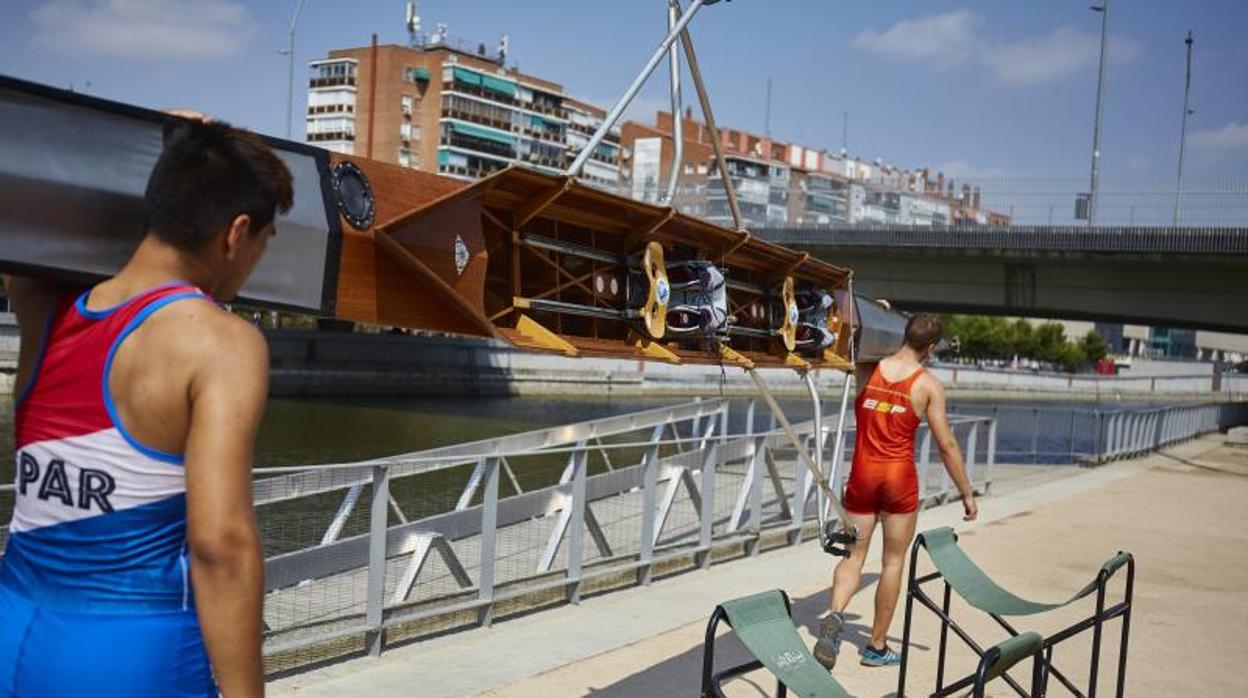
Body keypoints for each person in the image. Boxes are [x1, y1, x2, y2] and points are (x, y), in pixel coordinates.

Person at [0, 118, 292, 697]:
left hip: (13, 631)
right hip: (132, 653)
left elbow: (32, 219)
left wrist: (164, 144)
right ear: (236, 233)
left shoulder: (45, 306)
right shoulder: (219, 343)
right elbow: (221, 546)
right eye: (264, 241)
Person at [813, 314, 977, 670]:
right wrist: (966, 492)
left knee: (852, 557)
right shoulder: (928, 385)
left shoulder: (867, 368)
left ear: (903, 334)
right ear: (931, 348)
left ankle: (836, 615)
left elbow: (854, 337)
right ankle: (875, 646)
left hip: (862, 475)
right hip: (899, 479)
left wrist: (877, 313)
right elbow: (946, 444)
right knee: (892, 562)